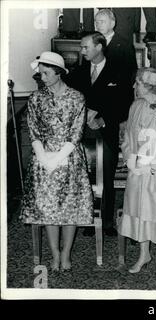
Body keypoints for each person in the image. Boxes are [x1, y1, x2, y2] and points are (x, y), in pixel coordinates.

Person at [20, 51, 93, 272]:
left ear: (59, 73)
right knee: (49, 210)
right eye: (40, 73)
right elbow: (33, 131)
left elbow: (76, 132)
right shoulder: (36, 98)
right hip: (43, 160)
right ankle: (54, 254)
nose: (42, 77)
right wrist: (44, 158)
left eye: (46, 73)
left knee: (69, 209)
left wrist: (59, 157)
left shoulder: (77, 97)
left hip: (70, 159)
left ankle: (66, 253)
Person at [118, 68, 156, 275]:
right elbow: (127, 138)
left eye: (137, 83)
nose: (134, 86)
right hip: (137, 170)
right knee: (140, 212)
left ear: (147, 86)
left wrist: (152, 167)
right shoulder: (135, 105)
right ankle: (144, 254)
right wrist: (130, 160)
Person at [66, 32, 127, 237]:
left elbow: (124, 103)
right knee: (85, 177)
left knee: (106, 177)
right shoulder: (78, 72)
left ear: (99, 47)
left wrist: (104, 119)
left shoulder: (118, 70)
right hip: (82, 133)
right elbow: (71, 100)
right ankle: (88, 218)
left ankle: (107, 222)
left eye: (85, 47)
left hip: (105, 132)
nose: (82, 51)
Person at [95, 8, 137, 82]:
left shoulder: (125, 46)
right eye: (97, 22)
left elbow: (131, 74)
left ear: (112, 24)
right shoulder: (92, 43)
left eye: (102, 22)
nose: (99, 25)